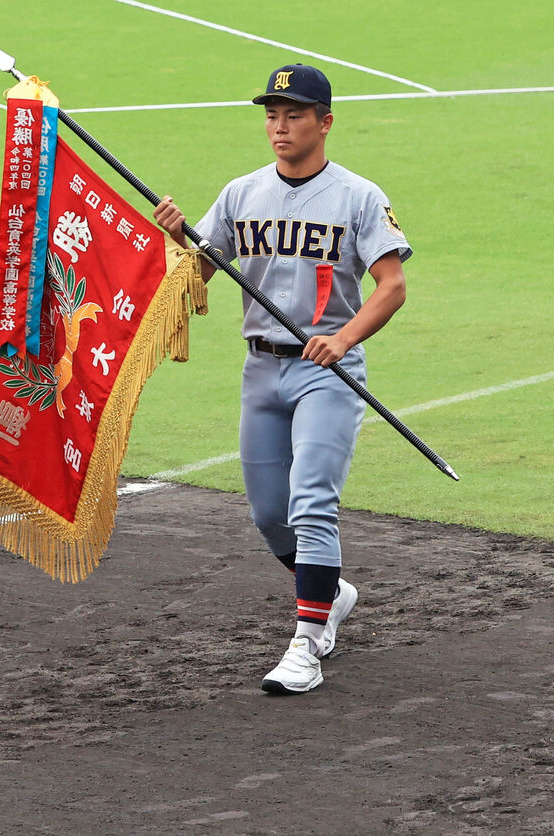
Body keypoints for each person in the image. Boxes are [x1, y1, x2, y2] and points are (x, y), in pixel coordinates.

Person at [153, 64, 410, 694]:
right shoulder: (242, 194)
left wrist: (343, 338)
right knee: (271, 516)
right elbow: (198, 277)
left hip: (328, 372)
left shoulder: (359, 197)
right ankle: (330, 593)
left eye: (294, 114)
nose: (280, 126)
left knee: (312, 502)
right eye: (272, 114)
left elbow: (392, 286)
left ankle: (307, 644)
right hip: (261, 369)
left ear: (325, 122)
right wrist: (179, 238)